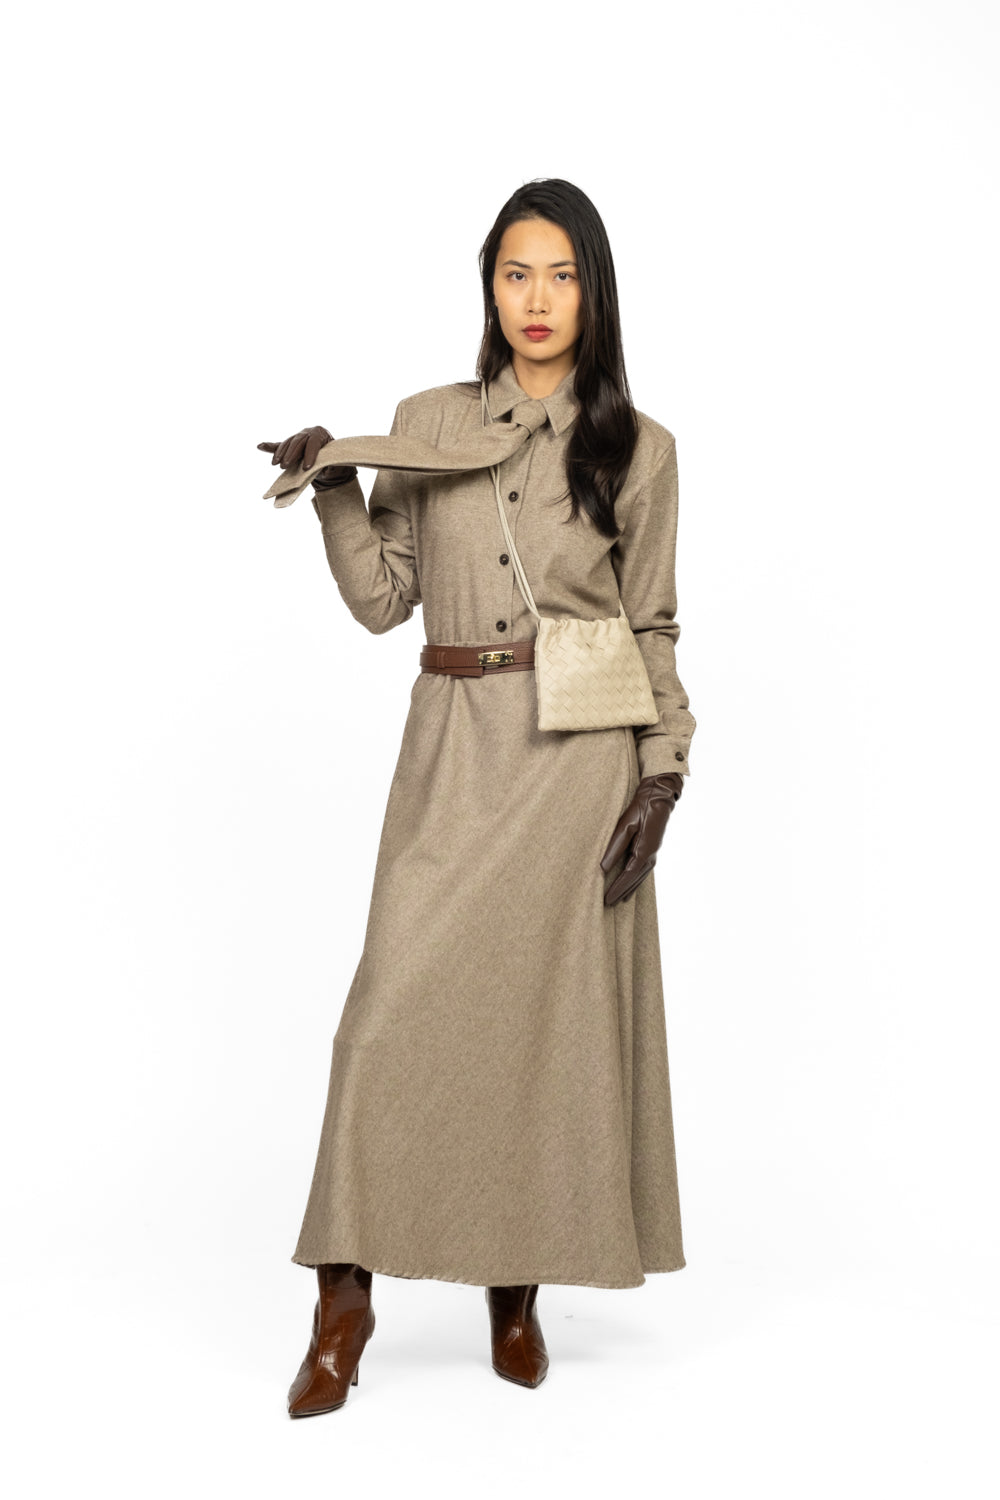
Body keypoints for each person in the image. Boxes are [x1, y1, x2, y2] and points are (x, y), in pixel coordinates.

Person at [257, 177, 696, 1416]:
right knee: (383, 1017)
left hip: (576, 761)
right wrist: (334, 482)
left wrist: (661, 776)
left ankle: (516, 1293)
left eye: (561, 274)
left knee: (540, 1038)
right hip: (452, 747)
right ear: (488, 288)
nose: (537, 298)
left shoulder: (640, 448)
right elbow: (381, 601)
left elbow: (651, 625)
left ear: (594, 293)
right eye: (516, 273)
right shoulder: (427, 422)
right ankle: (343, 1304)